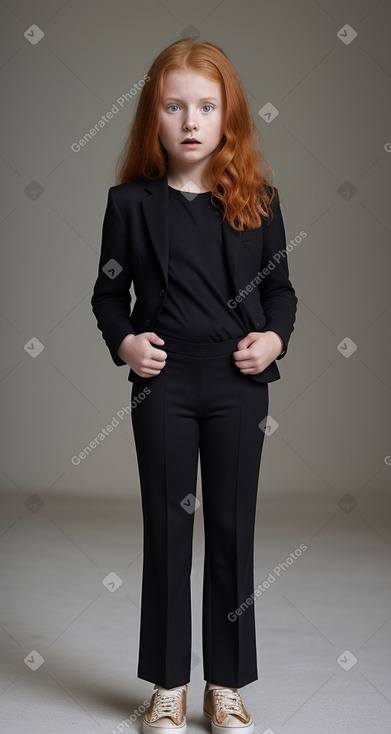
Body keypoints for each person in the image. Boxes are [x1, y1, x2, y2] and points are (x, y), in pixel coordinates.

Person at [91, 37, 297, 734]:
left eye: (205, 106)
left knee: (232, 532)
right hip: (164, 381)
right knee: (167, 532)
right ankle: (168, 687)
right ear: (153, 116)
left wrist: (272, 338)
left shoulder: (258, 199)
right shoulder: (129, 204)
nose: (189, 120)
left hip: (237, 382)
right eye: (174, 105)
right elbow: (107, 297)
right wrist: (124, 341)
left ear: (227, 116)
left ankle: (226, 686)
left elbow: (281, 295)